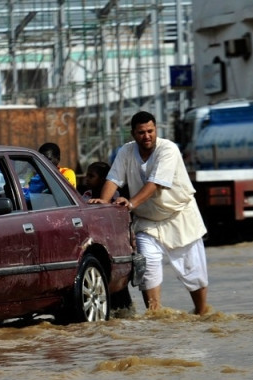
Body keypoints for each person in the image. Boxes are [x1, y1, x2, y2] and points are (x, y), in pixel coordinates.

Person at [90, 110, 210, 315]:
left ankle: (202, 312)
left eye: (150, 131)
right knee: (148, 269)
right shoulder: (126, 152)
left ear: (156, 130)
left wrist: (131, 203)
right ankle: (155, 316)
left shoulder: (168, 150)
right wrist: (104, 201)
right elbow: (114, 179)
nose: (146, 136)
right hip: (148, 222)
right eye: (141, 132)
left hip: (179, 216)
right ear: (133, 134)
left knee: (193, 273)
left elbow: (155, 183)